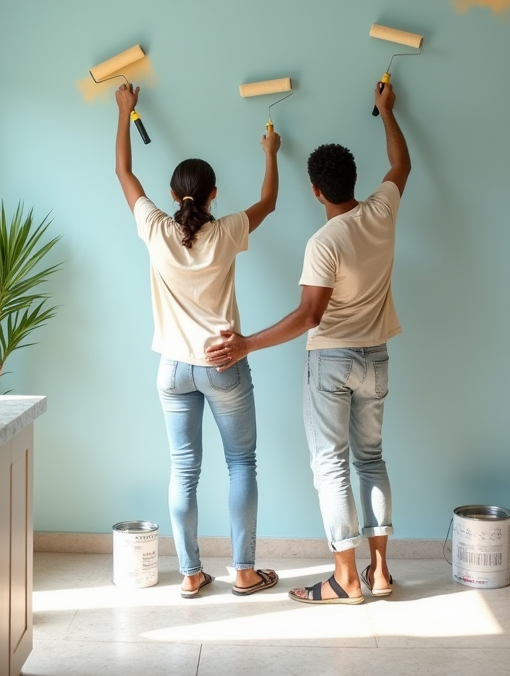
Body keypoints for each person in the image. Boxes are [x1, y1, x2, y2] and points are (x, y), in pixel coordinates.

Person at [205, 79, 410, 605]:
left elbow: (308, 315)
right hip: (377, 357)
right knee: (372, 459)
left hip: (333, 362)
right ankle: (380, 572)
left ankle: (344, 579)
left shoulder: (325, 242)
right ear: (354, 181)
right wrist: (386, 111)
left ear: (316, 191)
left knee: (331, 466)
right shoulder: (382, 212)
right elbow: (401, 165)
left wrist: (246, 344)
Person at [113, 82, 281, 599]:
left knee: (183, 469)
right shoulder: (227, 230)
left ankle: (190, 574)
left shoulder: (157, 228)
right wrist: (271, 153)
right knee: (241, 464)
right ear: (213, 194)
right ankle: (245, 572)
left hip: (173, 370)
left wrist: (124, 112)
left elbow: (124, 172)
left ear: (172, 195)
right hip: (223, 364)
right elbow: (270, 202)